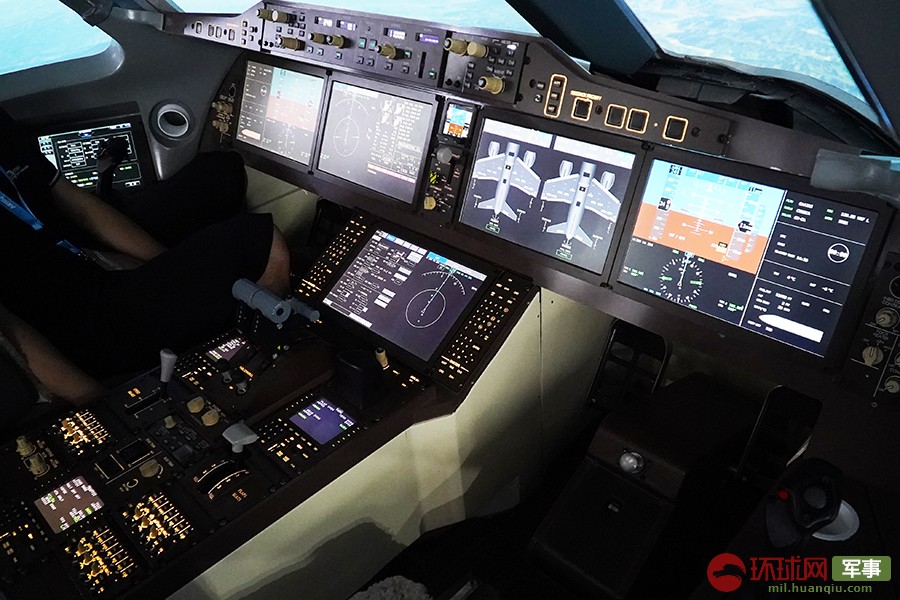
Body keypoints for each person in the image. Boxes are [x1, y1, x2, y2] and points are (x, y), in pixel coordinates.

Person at [0, 106, 290, 381]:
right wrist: (96, 400)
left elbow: (77, 206)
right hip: (81, 319)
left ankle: (209, 310)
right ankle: (259, 356)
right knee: (259, 241)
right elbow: (10, 328)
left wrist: (168, 266)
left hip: (87, 252)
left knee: (222, 171)